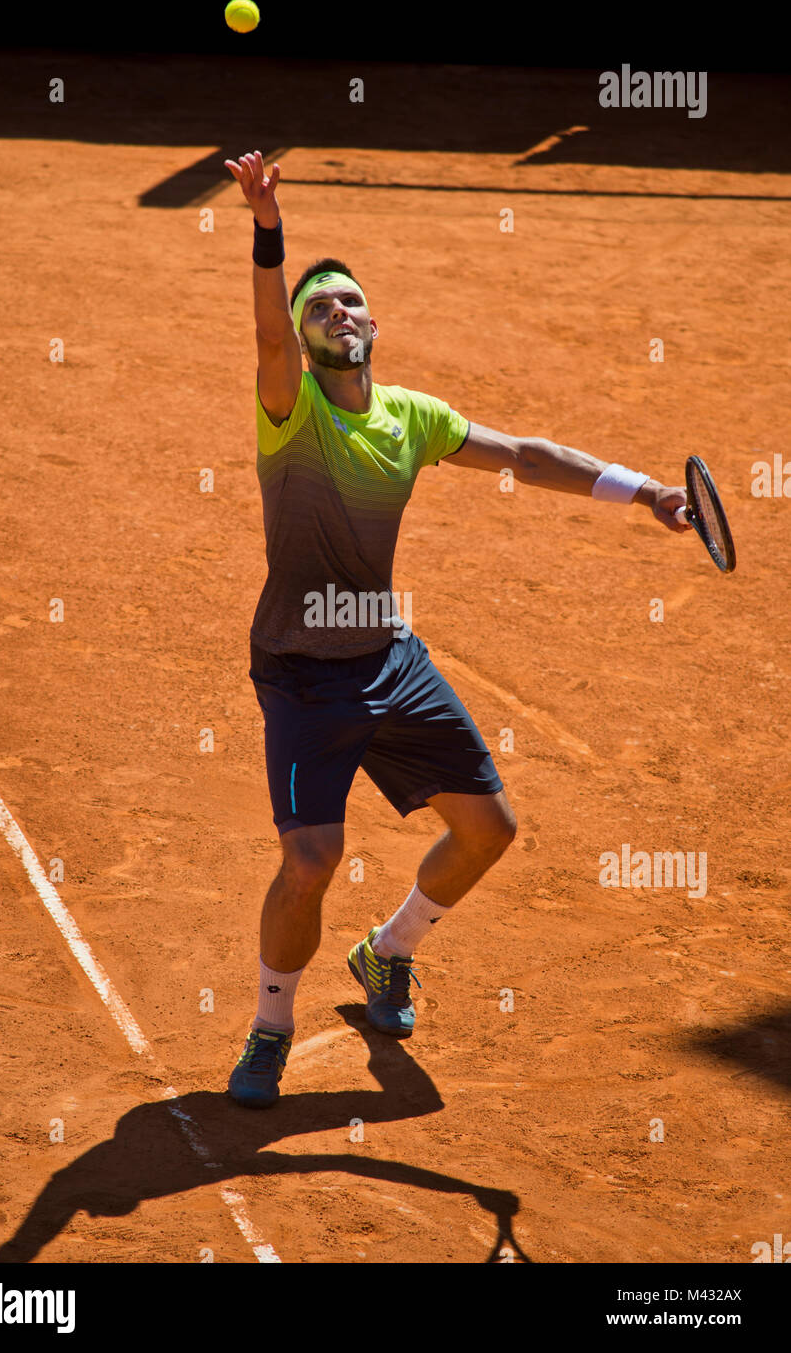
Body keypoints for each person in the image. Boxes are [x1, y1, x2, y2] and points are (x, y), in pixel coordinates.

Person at [222, 149, 691, 1108]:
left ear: (374, 323)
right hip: (303, 673)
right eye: (320, 308)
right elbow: (268, 336)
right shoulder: (290, 409)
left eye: (348, 301)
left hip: (389, 659)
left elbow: (522, 454)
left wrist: (640, 490)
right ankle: (271, 1027)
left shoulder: (411, 417)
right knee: (311, 859)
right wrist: (268, 230)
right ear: (307, 341)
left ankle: (385, 954)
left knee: (490, 828)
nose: (334, 314)